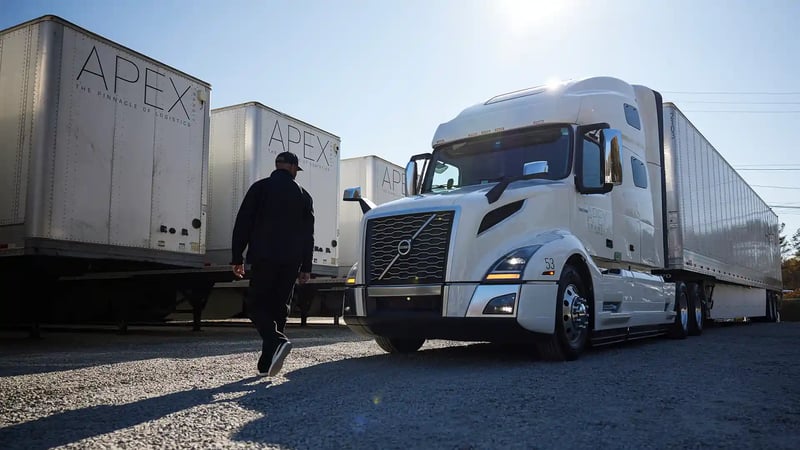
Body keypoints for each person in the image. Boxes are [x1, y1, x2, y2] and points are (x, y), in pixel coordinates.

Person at [231, 151, 314, 377]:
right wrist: (306, 267)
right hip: (291, 261)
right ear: (293, 167)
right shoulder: (304, 196)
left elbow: (243, 222)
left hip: (264, 257)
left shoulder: (260, 188)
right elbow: (309, 235)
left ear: (278, 166)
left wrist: (237, 256)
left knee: (256, 305)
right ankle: (267, 363)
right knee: (279, 308)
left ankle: (277, 341)